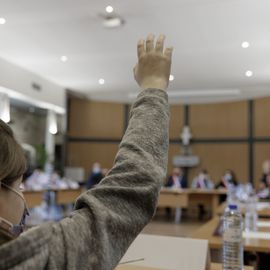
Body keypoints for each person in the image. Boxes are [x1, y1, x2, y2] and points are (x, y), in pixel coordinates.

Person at [0, 34, 173, 269]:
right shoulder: (37, 258)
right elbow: (132, 187)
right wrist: (153, 84)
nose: (25, 201)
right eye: (19, 186)